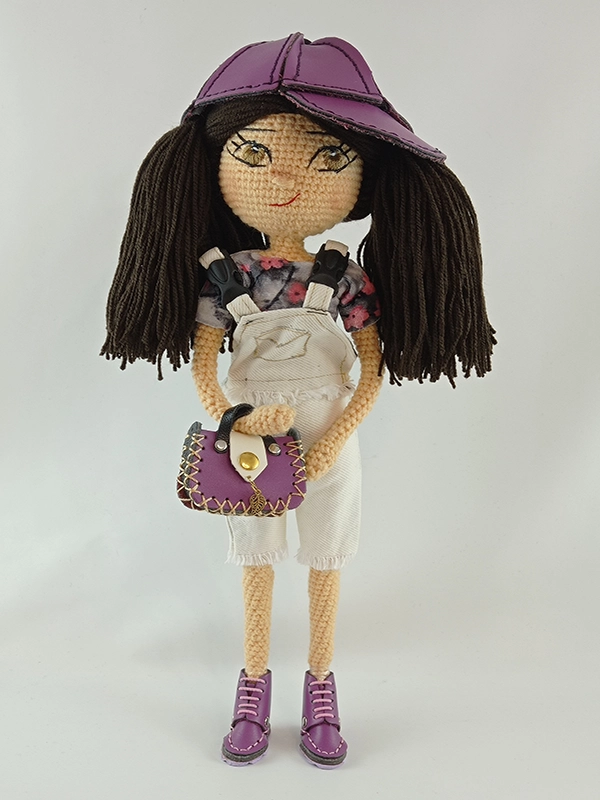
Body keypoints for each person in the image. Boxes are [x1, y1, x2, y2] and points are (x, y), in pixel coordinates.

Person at [102, 33, 495, 769]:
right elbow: (206, 365)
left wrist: (338, 433)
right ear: (216, 164)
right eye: (255, 153)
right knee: (255, 557)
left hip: (328, 430)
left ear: (362, 180)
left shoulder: (345, 278)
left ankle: (321, 685)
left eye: (329, 158)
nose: (286, 177)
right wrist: (237, 418)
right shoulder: (225, 278)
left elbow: (370, 370)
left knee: (325, 557)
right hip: (251, 434)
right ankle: (253, 684)